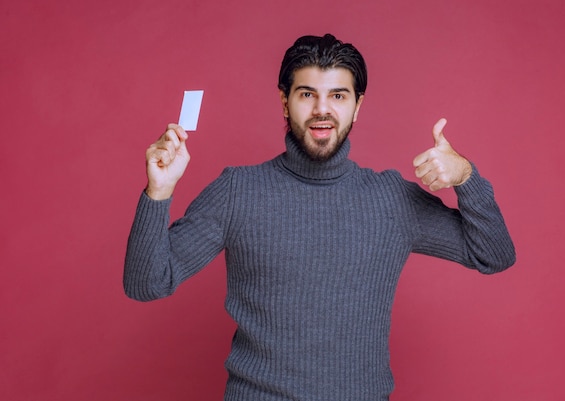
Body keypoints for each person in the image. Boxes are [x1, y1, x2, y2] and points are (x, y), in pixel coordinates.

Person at [124, 34, 515, 401]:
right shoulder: (237, 192)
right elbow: (146, 284)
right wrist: (158, 191)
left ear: (357, 106)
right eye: (307, 93)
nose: (322, 109)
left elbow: (495, 255)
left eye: (338, 95)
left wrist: (466, 177)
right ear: (284, 102)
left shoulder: (391, 200)